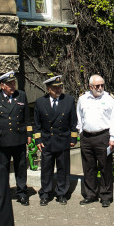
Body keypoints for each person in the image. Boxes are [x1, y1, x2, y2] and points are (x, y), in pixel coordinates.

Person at [0, 71, 32, 205]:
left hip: (19, 138)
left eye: (14, 83)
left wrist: (29, 134)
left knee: (21, 167)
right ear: (2, 86)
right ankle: (3, 193)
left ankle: (22, 193)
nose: (13, 86)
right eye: (10, 84)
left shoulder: (21, 96)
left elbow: (26, 118)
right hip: (2, 140)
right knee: (2, 168)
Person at [33, 75, 77, 205]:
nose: (58, 90)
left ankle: (62, 193)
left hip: (63, 140)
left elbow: (73, 122)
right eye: (55, 88)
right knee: (46, 168)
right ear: (48, 89)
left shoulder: (68, 100)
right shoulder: (40, 102)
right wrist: (38, 140)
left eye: (60, 87)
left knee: (63, 168)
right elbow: (37, 124)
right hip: (47, 141)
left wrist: (73, 138)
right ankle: (45, 193)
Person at [76, 74, 114, 207]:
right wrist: (81, 133)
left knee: (105, 166)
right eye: (97, 86)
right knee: (88, 167)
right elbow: (79, 116)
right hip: (87, 137)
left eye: (102, 85)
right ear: (90, 87)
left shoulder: (109, 99)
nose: (100, 88)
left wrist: (113, 138)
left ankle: (106, 195)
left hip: (103, 136)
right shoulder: (83, 99)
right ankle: (90, 194)